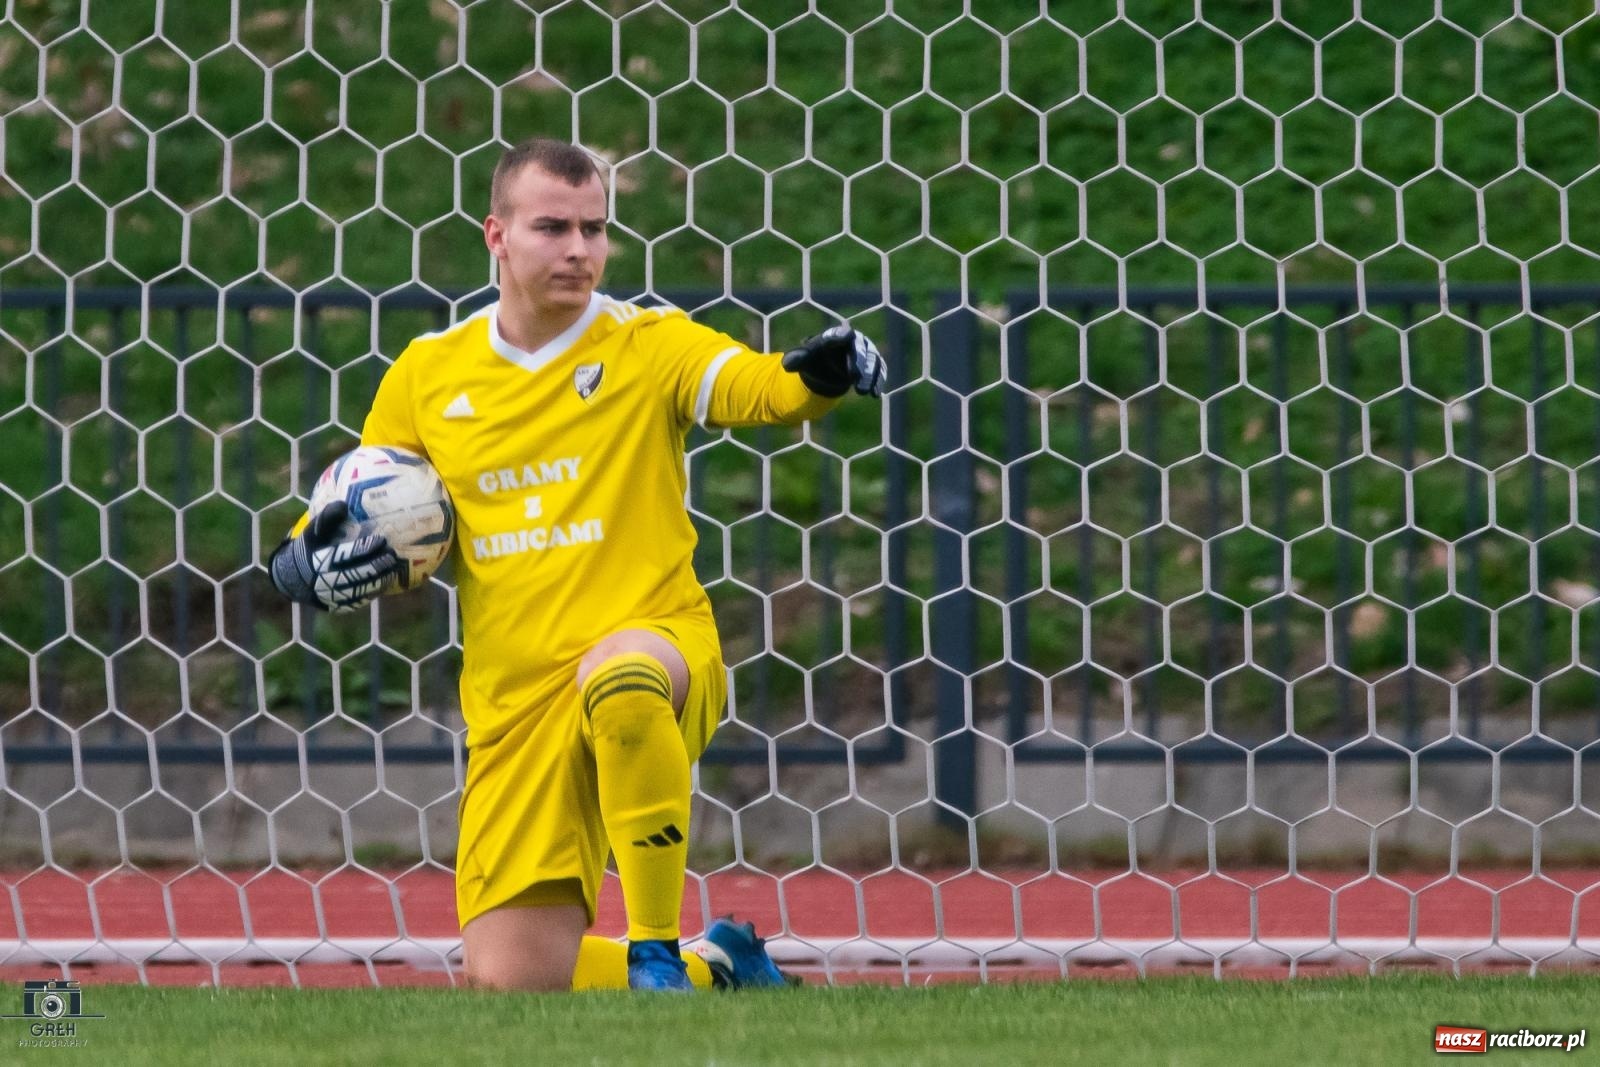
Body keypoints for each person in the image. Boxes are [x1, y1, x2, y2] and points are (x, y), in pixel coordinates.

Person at [267, 137, 884, 992]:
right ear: (497, 235)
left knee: (620, 674)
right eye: (553, 227)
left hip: (659, 648)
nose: (579, 250)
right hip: (517, 705)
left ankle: (658, 952)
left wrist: (813, 376)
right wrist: (298, 559)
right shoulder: (429, 374)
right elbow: (362, 493)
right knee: (512, 977)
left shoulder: (646, 344)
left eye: (594, 229)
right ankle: (723, 968)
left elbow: (753, 386)